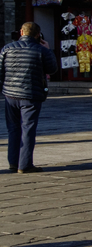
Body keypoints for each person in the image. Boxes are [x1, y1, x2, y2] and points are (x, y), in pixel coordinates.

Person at [1, 23, 57, 173]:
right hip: (31, 95)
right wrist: (48, 49)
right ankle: (25, 164)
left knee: (13, 129)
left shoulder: (7, 48)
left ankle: (13, 162)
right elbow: (52, 69)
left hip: (10, 94)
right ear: (38, 35)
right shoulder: (41, 50)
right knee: (28, 128)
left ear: (21, 32)